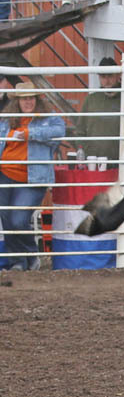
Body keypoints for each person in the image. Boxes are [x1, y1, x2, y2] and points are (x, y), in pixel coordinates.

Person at [0, 79, 65, 270]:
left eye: (31, 98)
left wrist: (30, 132)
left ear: (37, 100)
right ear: (17, 102)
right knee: (6, 217)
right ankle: (18, 261)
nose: (28, 102)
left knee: (18, 219)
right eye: (24, 99)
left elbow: (59, 130)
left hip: (33, 177)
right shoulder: (6, 118)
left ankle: (30, 254)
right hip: (4, 173)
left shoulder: (47, 117)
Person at [74, 57, 124, 163]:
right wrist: (90, 155)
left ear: (118, 75)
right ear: (99, 77)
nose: (107, 80)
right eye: (103, 76)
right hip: (95, 164)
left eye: (110, 76)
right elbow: (80, 131)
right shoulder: (91, 100)